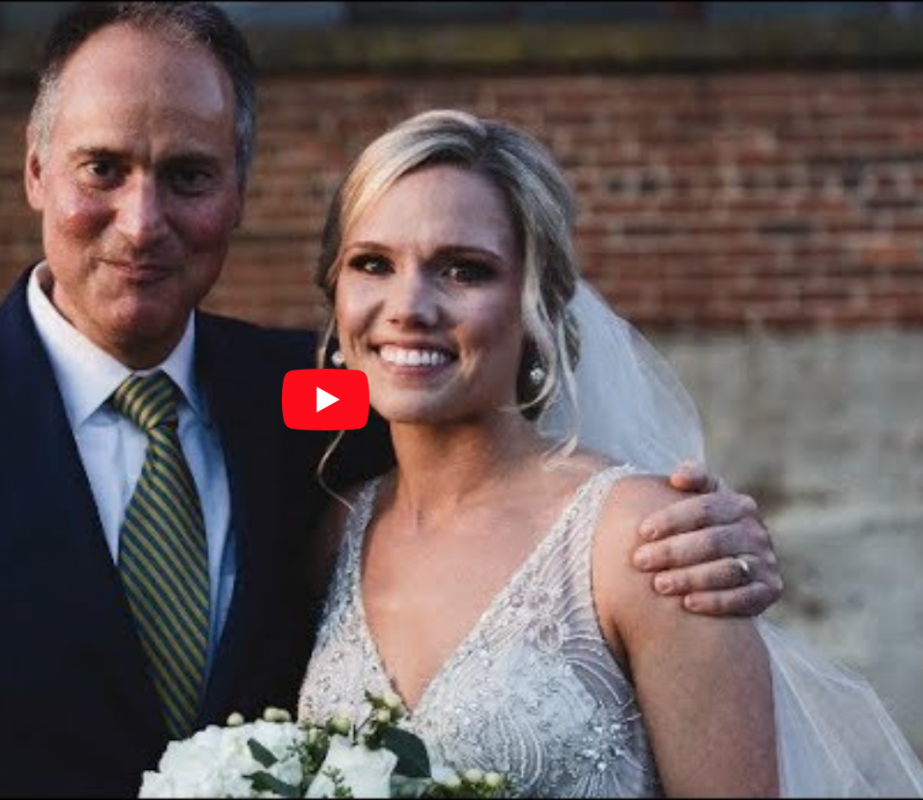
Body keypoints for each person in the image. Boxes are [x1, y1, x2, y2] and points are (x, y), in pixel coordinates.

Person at [0, 4, 782, 797]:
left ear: (237, 190)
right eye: (104, 168)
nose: (142, 222)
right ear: (37, 170)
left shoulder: (305, 397)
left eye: (188, 175)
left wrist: (706, 533)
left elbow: (466, 433)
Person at [297, 108, 923, 796]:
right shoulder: (333, 527)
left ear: (536, 304)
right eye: (372, 264)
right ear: (336, 294)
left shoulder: (652, 542)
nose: (408, 305)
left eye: (463, 270)